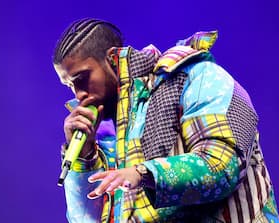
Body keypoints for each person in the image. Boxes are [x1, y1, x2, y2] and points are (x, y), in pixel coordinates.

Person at [52, 18, 279, 223]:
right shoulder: (106, 136)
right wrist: (84, 158)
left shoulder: (199, 78)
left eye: (81, 78)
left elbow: (222, 166)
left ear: (112, 59)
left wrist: (143, 173)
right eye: (69, 86)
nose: (78, 94)